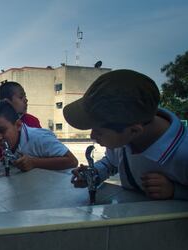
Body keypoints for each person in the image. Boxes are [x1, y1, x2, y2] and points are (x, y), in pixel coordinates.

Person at [64, 69, 188, 200]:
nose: (92, 136)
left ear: (134, 131)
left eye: (99, 132)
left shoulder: (183, 155)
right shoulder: (124, 134)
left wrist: (175, 191)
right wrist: (94, 174)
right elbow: (112, 163)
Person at [0, 100, 78, 172]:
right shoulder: (11, 143)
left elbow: (72, 161)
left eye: (2, 130)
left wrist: (34, 163)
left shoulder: (39, 138)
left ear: (18, 125)